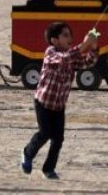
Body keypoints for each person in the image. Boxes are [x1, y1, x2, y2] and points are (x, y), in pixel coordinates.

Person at [21, 21, 99, 180]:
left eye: (70, 35)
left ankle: (48, 169)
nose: (69, 38)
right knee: (45, 133)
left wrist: (94, 47)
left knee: (58, 138)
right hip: (43, 103)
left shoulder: (71, 57)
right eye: (65, 35)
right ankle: (27, 153)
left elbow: (88, 62)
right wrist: (84, 44)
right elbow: (65, 58)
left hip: (59, 106)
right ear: (54, 40)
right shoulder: (51, 53)